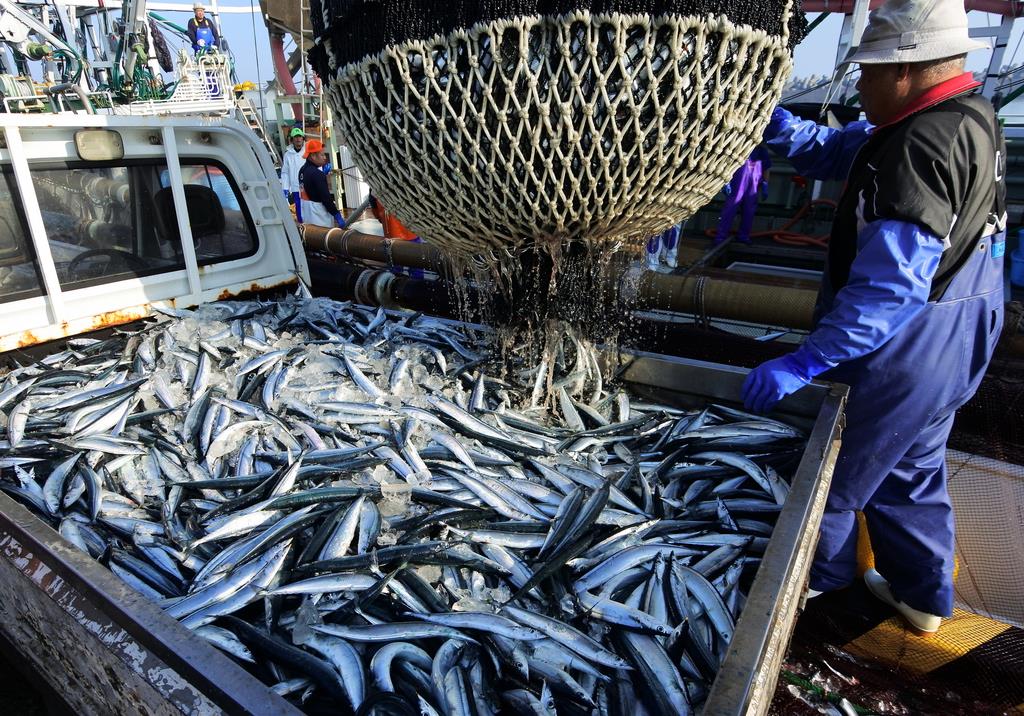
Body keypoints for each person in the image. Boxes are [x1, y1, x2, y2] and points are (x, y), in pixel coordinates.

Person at [741, 0, 1004, 634]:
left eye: (869, 72)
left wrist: (804, 362)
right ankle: (922, 598)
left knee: (830, 477)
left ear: (906, 70)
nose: (858, 83)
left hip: (911, 343)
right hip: (966, 330)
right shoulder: (964, 114)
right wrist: (757, 122)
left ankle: (811, 603)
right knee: (911, 468)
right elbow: (833, 152)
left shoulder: (920, 144)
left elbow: (890, 287)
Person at [714, 145, 771, 244]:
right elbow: (726, 163)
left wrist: (766, 184)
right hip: (738, 184)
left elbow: (767, 167)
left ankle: (743, 235)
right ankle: (721, 236)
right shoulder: (738, 144)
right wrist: (725, 181)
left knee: (749, 210)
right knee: (730, 209)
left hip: (753, 184)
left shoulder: (761, 150)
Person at [298, 139, 345, 229]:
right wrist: (336, 214)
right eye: (322, 155)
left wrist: (323, 174)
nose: (325, 158)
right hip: (319, 216)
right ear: (313, 156)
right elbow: (326, 199)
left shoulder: (302, 170)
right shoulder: (317, 174)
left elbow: (310, 187)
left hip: (307, 213)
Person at [280, 127, 306, 220]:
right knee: (299, 212)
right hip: (295, 188)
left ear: (303, 138)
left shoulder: (308, 152)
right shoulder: (287, 155)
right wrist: (285, 188)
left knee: (310, 210)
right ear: (292, 140)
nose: (298, 139)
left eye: (300, 137)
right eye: (295, 137)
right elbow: (285, 172)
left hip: (308, 187)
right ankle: (302, 230)